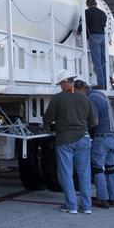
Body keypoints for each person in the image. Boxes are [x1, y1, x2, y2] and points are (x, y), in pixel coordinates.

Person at [42, 69, 96, 214]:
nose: (60, 86)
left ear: (65, 83)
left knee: (66, 173)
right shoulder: (85, 98)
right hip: (83, 139)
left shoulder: (58, 98)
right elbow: (93, 121)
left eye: (60, 83)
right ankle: (86, 206)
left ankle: (71, 205)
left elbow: (48, 118)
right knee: (84, 172)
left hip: (65, 140)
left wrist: (46, 127)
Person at [80, 79, 114, 208]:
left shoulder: (91, 99)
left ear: (83, 90)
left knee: (97, 167)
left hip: (102, 136)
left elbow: (94, 121)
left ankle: (102, 198)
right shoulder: (101, 95)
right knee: (111, 168)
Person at [84, 0, 108, 88]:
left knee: (97, 62)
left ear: (88, 4)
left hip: (93, 36)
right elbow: (104, 24)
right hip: (102, 36)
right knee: (103, 61)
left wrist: (79, 32)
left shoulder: (86, 12)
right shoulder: (102, 13)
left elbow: (83, 24)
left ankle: (101, 84)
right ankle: (106, 83)